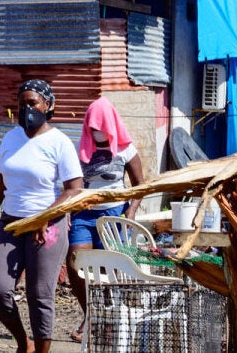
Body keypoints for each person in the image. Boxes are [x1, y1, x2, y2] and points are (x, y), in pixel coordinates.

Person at [0, 80, 84, 353]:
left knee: (39, 295)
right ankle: (25, 343)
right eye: (21, 103)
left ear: (48, 105)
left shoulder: (59, 142)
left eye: (32, 103)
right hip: (11, 223)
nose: (26, 109)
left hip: (47, 226)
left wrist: (46, 216)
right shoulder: (10, 138)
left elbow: (74, 187)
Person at [64, 96, 146, 341]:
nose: (96, 132)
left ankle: (109, 323)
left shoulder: (125, 149)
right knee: (76, 263)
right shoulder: (82, 148)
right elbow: (72, 184)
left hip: (114, 214)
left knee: (108, 269)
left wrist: (131, 210)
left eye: (101, 126)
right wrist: (69, 209)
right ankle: (90, 314)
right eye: (93, 127)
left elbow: (141, 185)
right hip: (84, 214)